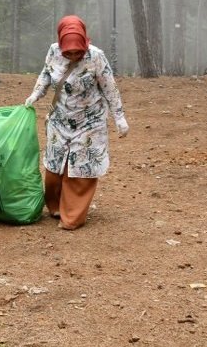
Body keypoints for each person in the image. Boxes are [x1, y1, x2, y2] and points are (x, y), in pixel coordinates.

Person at [23, 15, 129, 231]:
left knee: (81, 167)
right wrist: (36, 94)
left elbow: (110, 87)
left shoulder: (96, 57)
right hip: (60, 118)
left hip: (89, 120)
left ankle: (72, 217)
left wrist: (119, 117)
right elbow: (46, 74)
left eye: (77, 52)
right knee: (54, 165)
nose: (72, 55)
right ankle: (55, 207)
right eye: (68, 52)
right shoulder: (53, 51)